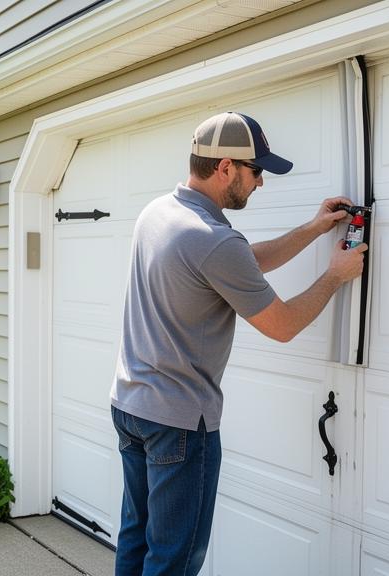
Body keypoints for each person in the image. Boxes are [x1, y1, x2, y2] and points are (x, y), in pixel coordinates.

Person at [109, 111, 368, 576]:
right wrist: (334, 276)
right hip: (179, 424)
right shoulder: (212, 239)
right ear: (225, 166)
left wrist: (313, 229)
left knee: (137, 542)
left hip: (132, 408)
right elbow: (282, 324)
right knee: (174, 559)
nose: (261, 183)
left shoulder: (161, 212)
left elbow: (238, 263)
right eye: (257, 171)